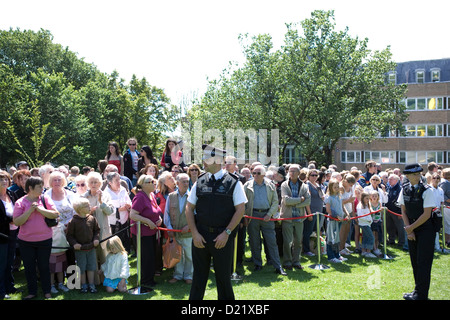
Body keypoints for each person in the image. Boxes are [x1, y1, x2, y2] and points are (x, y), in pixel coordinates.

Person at [185, 144, 247, 300]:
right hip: (201, 237)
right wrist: (195, 234)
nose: (204, 161)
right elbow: (189, 207)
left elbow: (240, 210)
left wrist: (226, 233)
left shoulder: (234, 182)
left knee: (223, 279)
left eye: (207, 158)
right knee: (198, 278)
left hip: (223, 239)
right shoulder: (199, 181)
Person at [13, 176, 59, 300]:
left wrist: (39, 209)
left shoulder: (45, 199)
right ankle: (32, 291)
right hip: (26, 241)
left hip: (45, 239)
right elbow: (17, 222)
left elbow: (55, 213)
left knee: (44, 266)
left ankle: (47, 291)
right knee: (29, 267)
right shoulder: (20, 202)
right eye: (39, 186)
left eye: (42, 186)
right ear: (30, 188)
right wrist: (29, 211)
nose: (42, 189)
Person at [398, 163, 436, 300]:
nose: (418, 176)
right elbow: (403, 210)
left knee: (423, 262)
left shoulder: (427, 190)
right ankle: (417, 291)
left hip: (425, 229)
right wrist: (409, 230)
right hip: (411, 228)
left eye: (419, 173)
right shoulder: (404, 189)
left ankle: (422, 295)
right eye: (414, 174)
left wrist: (411, 228)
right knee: (415, 261)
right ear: (407, 176)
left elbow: (426, 214)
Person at [244, 165, 286, 275]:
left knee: (272, 242)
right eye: (254, 173)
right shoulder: (247, 185)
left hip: (267, 216)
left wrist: (269, 214)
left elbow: (275, 202)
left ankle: (278, 266)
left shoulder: (270, 185)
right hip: (253, 215)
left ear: (263, 174)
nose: (255, 175)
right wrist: (245, 216)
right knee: (254, 241)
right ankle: (258, 264)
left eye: (258, 173)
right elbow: (244, 202)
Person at [45, 171, 76, 294]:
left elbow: (76, 210)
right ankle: (54, 283)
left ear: (63, 181)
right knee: (55, 259)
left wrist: (70, 224)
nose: (57, 182)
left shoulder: (70, 194)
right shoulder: (46, 195)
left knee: (72, 257)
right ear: (50, 182)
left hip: (71, 229)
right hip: (54, 231)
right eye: (54, 180)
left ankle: (73, 282)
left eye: (59, 180)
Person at [130, 174, 162, 287]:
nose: (154, 183)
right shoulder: (140, 197)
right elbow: (132, 214)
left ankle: (150, 279)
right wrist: (148, 222)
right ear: (142, 185)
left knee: (151, 255)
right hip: (141, 234)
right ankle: (145, 280)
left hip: (152, 232)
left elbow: (156, 211)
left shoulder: (151, 195)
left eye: (154, 181)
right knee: (146, 257)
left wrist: (159, 219)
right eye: (150, 181)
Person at [280, 164, 311, 270]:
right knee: (288, 241)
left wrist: (296, 204)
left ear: (299, 173)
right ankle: (287, 262)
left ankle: (296, 261)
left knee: (298, 241)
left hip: (299, 218)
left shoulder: (304, 186)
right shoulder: (284, 185)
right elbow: (286, 201)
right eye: (290, 171)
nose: (291, 173)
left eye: (294, 171)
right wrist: (300, 200)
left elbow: (308, 200)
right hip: (287, 218)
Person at [66, 197, 100, 293]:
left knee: (91, 267)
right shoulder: (73, 221)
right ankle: (83, 285)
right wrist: (74, 244)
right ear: (80, 209)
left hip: (91, 248)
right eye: (87, 206)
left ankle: (91, 285)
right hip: (80, 249)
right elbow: (69, 235)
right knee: (81, 268)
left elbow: (97, 231)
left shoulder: (92, 219)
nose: (89, 207)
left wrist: (96, 239)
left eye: (89, 205)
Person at [164, 173, 193, 284]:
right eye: (183, 181)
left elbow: (197, 214)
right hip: (175, 232)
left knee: (189, 255)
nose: (186, 184)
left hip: (188, 233)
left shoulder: (192, 196)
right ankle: (178, 275)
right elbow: (166, 214)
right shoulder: (171, 197)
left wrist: (189, 226)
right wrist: (170, 228)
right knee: (178, 254)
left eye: (187, 181)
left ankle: (189, 276)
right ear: (177, 183)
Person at [82, 172, 114, 267]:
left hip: (103, 230)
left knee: (106, 255)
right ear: (88, 184)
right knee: (92, 257)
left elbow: (110, 211)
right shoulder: (84, 197)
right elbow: (80, 214)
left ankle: (107, 279)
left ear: (100, 184)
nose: (93, 184)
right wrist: (89, 212)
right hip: (89, 231)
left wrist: (101, 202)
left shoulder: (106, 196)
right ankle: (95, 280)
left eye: (96, 182)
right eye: (91, 182)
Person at [0, 171, 18, 299]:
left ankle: (9, 286)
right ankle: (1, 290)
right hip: (2, 234)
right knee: (2, 262)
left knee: (10, 261)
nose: (4, 182)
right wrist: (10, 219)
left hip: (14, 232)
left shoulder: (11, 194)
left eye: (6, 179)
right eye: (1, 180)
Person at [104, 172, 132, 253]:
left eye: (119, 179)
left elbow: (129, 201)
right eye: (116, 180)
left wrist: (128, 206)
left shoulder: (123, 189)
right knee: (114, 245)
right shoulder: (106, 193)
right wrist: (119, 209)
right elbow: (106, 209)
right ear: (110, 182)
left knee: (124, 243)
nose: (119, 182)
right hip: (112, 223)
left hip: (124, 221)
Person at [324, 178, 349, 263]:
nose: (337, 188)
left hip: (339, 220)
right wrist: (336, 216)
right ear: (330, 187)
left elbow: (342, 206)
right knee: (331, 238)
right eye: (335, 187)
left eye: (337, 187)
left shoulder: (339, 195)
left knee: (337, 238)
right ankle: (331, 256)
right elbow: (328, 210)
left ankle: (337, 255)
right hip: (332, 220)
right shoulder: (328, 197)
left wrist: (346, 214)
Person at [304, 169, 324, 256]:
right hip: (312, 212)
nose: (314, 177)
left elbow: (322, 197)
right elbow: (307, 200)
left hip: (319, 212)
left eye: (316, 175)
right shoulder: (307, 185)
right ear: (308, 176)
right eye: (312, 175)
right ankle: (306, 250)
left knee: (316, 232)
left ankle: (315, 248)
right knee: (308, 232)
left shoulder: (317, 185)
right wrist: (309, 213)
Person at [385, 174, 405, 248]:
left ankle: (401, 242)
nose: (389, 181)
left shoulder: (399, 189)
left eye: (391, 179)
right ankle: (391, 240)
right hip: (388, 210)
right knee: (390, 227)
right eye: (389, 179)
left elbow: (401, 202)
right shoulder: (388, 188)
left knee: (400, 228)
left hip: (396, 211)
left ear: (396, 180)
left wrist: (400, 212)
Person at [339, 174, 356, 256]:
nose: (351, 186)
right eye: (350, 184)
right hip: (342, 212)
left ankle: (343, 246)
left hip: (349, 211)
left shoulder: (351, 188)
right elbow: (339, 202)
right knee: (342, 231)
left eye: (352, 185)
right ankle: (340, 248)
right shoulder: (340, 188)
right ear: (345, 181)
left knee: (347, 230)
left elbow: (352, 200)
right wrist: (349, 200)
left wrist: (352, 212)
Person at [356, 192, 377, 258]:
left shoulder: (366, 204)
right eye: (366, 198)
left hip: (367, 223)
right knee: (371, 237)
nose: (368, 200)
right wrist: (368, 220)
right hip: (364, 224)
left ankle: (363, 251)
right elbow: (360, 216)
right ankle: (368, 252)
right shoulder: (360, 206)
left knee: (365, 237)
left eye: (368, 198)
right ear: (362, 198)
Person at [429, 172, 444, 251]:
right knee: (429, 229)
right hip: (429, 212)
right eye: (434, 178)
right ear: (431, 179)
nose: (436, 180)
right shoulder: (429, 189)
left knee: (437, 230)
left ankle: (437, 246)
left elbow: (442, 201)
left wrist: (440, 211)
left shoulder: (441, 190)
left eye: (438, 178)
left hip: (437, 212)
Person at [369, 190, 383, 256]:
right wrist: (374, 211)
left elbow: (381, 212)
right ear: (370, 197)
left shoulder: (379, 203)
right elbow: (371, 209)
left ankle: (376, 247)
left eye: (375, 196)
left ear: (378, 197)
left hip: (378, 221)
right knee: (373, 234)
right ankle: (374, 248)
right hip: (372, 221)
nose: (374, 197)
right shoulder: (370, 203)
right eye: (373, 196)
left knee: (377, 235)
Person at [440, 168, 450, 247]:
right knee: (447, 224)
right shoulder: (445, 182)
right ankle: (447, 241)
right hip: (446, 206)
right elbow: (442, 194)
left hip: (447, 206)